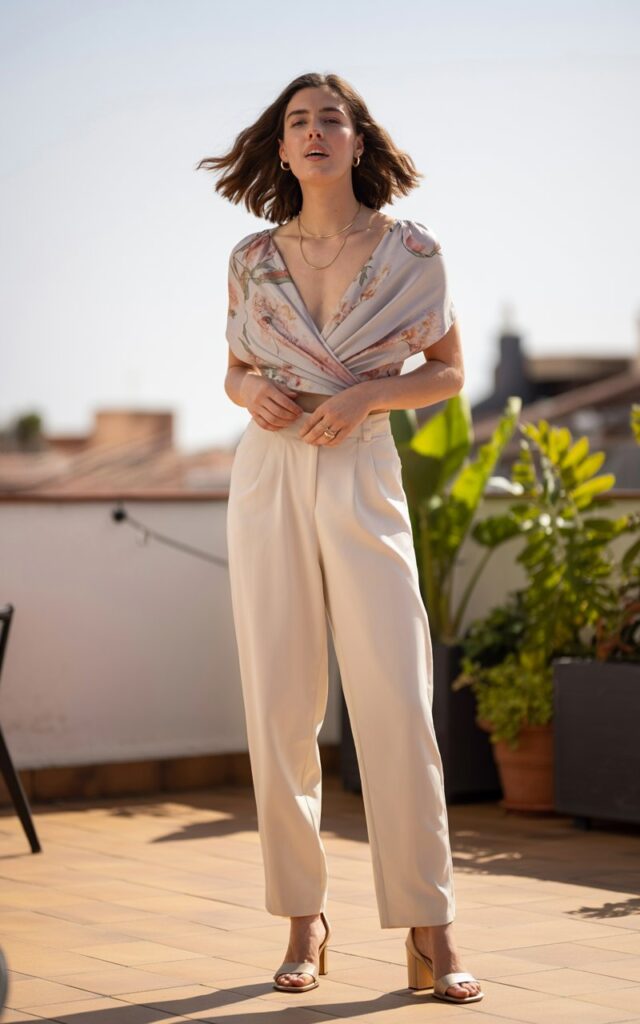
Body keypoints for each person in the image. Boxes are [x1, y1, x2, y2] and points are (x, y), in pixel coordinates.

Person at [197, 71, 483, 1006]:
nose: (314, 131)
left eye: (332, 118)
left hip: (361, 464)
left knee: (395, 698)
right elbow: (233, 369)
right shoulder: (250, 258)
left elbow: (448, 372)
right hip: (269, 472)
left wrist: (365, 396)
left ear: (359, 141)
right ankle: (302, 920)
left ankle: (431, 925)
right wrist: (251, 390)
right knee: (280, 701)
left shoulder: (413, 252)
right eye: (297, 121)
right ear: (281, 149)